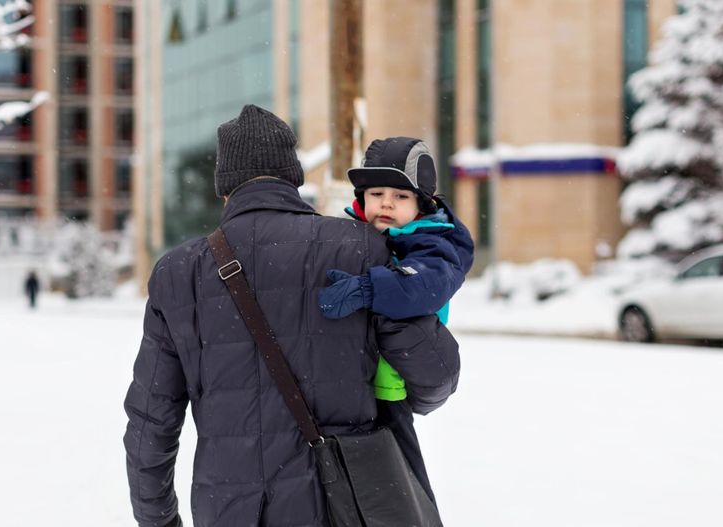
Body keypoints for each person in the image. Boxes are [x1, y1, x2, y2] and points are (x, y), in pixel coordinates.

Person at [123, 105, 461, 527]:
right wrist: (395, 399)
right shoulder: (358, 247)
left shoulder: (178, 273)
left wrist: (158, 519)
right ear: (293, 177)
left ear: (224, 187)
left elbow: (151, 420)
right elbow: (436, 373)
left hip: (229, 508)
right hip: (342, 503)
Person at [317, 136, 475, 503]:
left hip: (393, 385)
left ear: (421, 205)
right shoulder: (348, 234)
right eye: (376, 194)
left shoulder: (432, 243)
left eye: (401, 196)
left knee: (401, 484)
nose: (386, 203)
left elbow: (425, 285)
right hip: (351, 377)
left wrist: (368, 288)